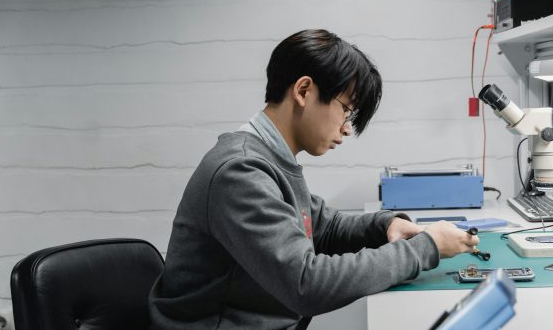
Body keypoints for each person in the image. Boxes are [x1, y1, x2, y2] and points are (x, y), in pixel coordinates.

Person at [148, 29, 479, 330]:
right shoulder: (240, 172)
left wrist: (385, 225)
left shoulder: (270, 159)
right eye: (346, 110)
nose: (347, 128)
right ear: (304, 90)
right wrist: (426, 248)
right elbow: (306, 284)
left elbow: (324, 226)